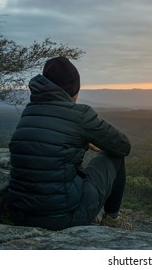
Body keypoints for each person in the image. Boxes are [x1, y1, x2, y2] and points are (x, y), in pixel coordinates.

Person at [8, 56, 132, 231]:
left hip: (19, 215)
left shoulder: (29, 111)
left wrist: (82, 141)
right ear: (74, 89)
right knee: (114, 156)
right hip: (62, 219)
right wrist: (88, 137)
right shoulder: (80, 115)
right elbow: (123, 145)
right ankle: (112, 220)